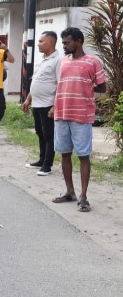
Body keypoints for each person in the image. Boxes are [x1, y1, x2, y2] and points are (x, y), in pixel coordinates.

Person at [50, 27, 106, 212]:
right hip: (62, 114)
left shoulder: (93, 61)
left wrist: (84, 89)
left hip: (82, 115)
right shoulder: (63, 61)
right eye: (63, 42)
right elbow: (60, 86)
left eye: (67, 42)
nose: (64, 46)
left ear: (79, 41)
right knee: (64, 153)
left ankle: (83, 197)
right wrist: (54, 106)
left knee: (83, 155)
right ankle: (70, 192)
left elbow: (102, 87)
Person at [21, 31, 62, 176]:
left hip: (48, 104)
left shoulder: (58, 60)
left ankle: (47, 165)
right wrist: (28, 99)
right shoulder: (41, 59)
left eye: (41, 41)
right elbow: (36, 81)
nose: (38, 44)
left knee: (48, 134)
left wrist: (55, 105)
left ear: (51, 42)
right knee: (39, 132)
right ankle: (41, 159)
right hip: (36, 103)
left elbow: (60, 85)